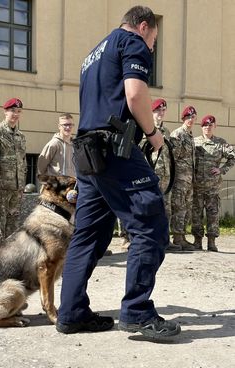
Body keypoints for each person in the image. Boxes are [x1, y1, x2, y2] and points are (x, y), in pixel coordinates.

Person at [56, 5, 181, 339]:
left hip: (88, 154)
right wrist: (154, 135)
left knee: (89, 234)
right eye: (154, 38)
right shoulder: (131, 43)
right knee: (149, 224)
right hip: (115, 151)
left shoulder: (92, 55)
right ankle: (137, 313)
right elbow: (135, 93)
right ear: (143, 26)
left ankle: (71, 313)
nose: (152, 46)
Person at [0, 98, 27, 249]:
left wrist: (22, 186)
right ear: (5, 112)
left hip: (16, 188)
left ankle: (9, 258)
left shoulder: (21, 136)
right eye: (12, 111)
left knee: (13, 224)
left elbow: (23, 162)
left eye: (18, 112)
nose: (15, 114)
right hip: (0, 187)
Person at [192, 115, 235, 251]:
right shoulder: (195, 142)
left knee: (213, 214)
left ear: (215, 126)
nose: (207, 127)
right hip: (197, 185)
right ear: (201, 127)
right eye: (205, 125)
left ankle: (211, 242)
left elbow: (232, 158)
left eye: (210, 125)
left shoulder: (220, 143)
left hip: (213, 187)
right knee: (196, 213)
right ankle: (197, 241)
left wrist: (221, 170)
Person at [151, 98, 180, 251]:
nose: (160, 113)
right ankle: (148, 239)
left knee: (166, 208)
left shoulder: (166, 131)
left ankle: (164, 239)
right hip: (151, 173)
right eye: (157, 110)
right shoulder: (146, 128)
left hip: (166, 175)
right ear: (152, 112)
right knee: (150, 207)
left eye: (163, 110)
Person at [170, 106, 197, 251]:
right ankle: (177, 237)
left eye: (193, 117)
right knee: (178, 207)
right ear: (183, 119)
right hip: (180, 178)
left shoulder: (190, 135)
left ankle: (182, 236)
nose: (190, 120)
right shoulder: (178, 134)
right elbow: (173, 157)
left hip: (188, 179)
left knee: (186, 208)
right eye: (188, 117)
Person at [37, 113, 76, 177]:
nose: (68, 127)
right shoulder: (54, 144)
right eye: (65, 125)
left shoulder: (75, 145)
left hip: (71, 185)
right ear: (59, 126)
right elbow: (41, 167)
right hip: (56, 185)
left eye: (70, 125)